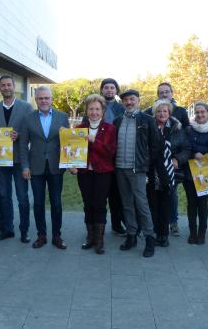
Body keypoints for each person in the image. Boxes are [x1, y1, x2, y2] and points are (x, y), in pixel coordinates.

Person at [114, 89, 165, 258]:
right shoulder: (118, 120)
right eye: (126, 100)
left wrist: (146, 164)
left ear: (138, 100)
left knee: (142, 204)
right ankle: (131, 235)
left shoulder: (147, 120)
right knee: (127, 204)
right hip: (120, 168)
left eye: (132, 99)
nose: (129, 102)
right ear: (122, 103)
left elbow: (156, 145)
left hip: (138, 170)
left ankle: (150, 238)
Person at [20, 86, 70, 249]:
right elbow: (22, 145)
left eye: (46, 98)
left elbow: (69, 142)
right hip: (36, 168)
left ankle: (57, 236)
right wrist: (25, 166)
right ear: (36, 100)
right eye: (40, 98)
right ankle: (41, 235)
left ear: (51, 99)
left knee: (56, 203)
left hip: (56, 167)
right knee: (39, 203)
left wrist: (71, 163)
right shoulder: (28, 118)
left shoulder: (63, 117)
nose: (44, 101)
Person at [0, 75, 33, 242]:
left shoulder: (26, 107)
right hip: (1, 159)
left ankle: (24, 231)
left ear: (14, 87)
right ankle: (7, 229)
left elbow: (31, 133)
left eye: (9, 85)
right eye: (3, 85)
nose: (6, 87)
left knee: (22, 197)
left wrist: (20, 135)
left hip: (20, 159)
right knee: (3, 195)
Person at [70, 94, 117, 254]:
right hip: (84, 173)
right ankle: (90, 237)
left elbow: (109, 152)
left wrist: (93, 140)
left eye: (97, 109)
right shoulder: (79, 129)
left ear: (103, 111)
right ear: (87, 111)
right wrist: (72, 165)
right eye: (91, 109)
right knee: (87, 204)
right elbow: (73, 152)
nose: (94, 112)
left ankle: (99, 240)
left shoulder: (110, 128)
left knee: (99, 205)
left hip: (103, 172)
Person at [144, 82, 190, 237]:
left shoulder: (178, 126)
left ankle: (171, 223)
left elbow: (186, 147)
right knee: (153, 200)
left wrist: (177, 159)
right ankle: (153, 228)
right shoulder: (149, 127)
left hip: (171, 169)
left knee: (170, 197)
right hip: (152, 170)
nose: (162, 113)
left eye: (165, 111)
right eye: (159, 111)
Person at [183, 102, 208, 245]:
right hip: (189, 171)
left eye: (202, 112)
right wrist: (194, 152)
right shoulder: (188, 130)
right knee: (191, 204)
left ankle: (202, 233)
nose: (200, 115)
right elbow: (185, 146)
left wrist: (197, 150)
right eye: (197, 112)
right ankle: (192, 232)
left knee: (203, 204)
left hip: (206, 171)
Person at [99, 78, 126, 235]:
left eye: (112, 88)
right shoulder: (94, 105)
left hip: (116, 155)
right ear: (102, 90)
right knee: (99, 195)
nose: (109, 90)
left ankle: (117, 224)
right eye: (106, 88)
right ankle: (97, 227)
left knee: (116, 195)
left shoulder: (122, 108)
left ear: (116, 90)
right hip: (97, 156)